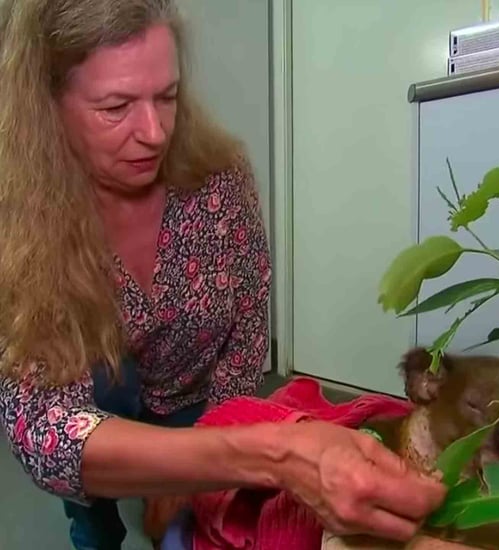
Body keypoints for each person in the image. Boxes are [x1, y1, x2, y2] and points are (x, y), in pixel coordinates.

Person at [0, 1, 447, 549]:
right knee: (96, 466)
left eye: (167, 97)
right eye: (115, 107)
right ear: (48, 104)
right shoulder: (18, 221)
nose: (154, 133)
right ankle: (95, 527)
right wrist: (269, 455)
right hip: (96, 410)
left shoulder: (219, 181)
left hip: (198, 399)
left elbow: (246, 325)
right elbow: (45, 432)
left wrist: (216, 443)